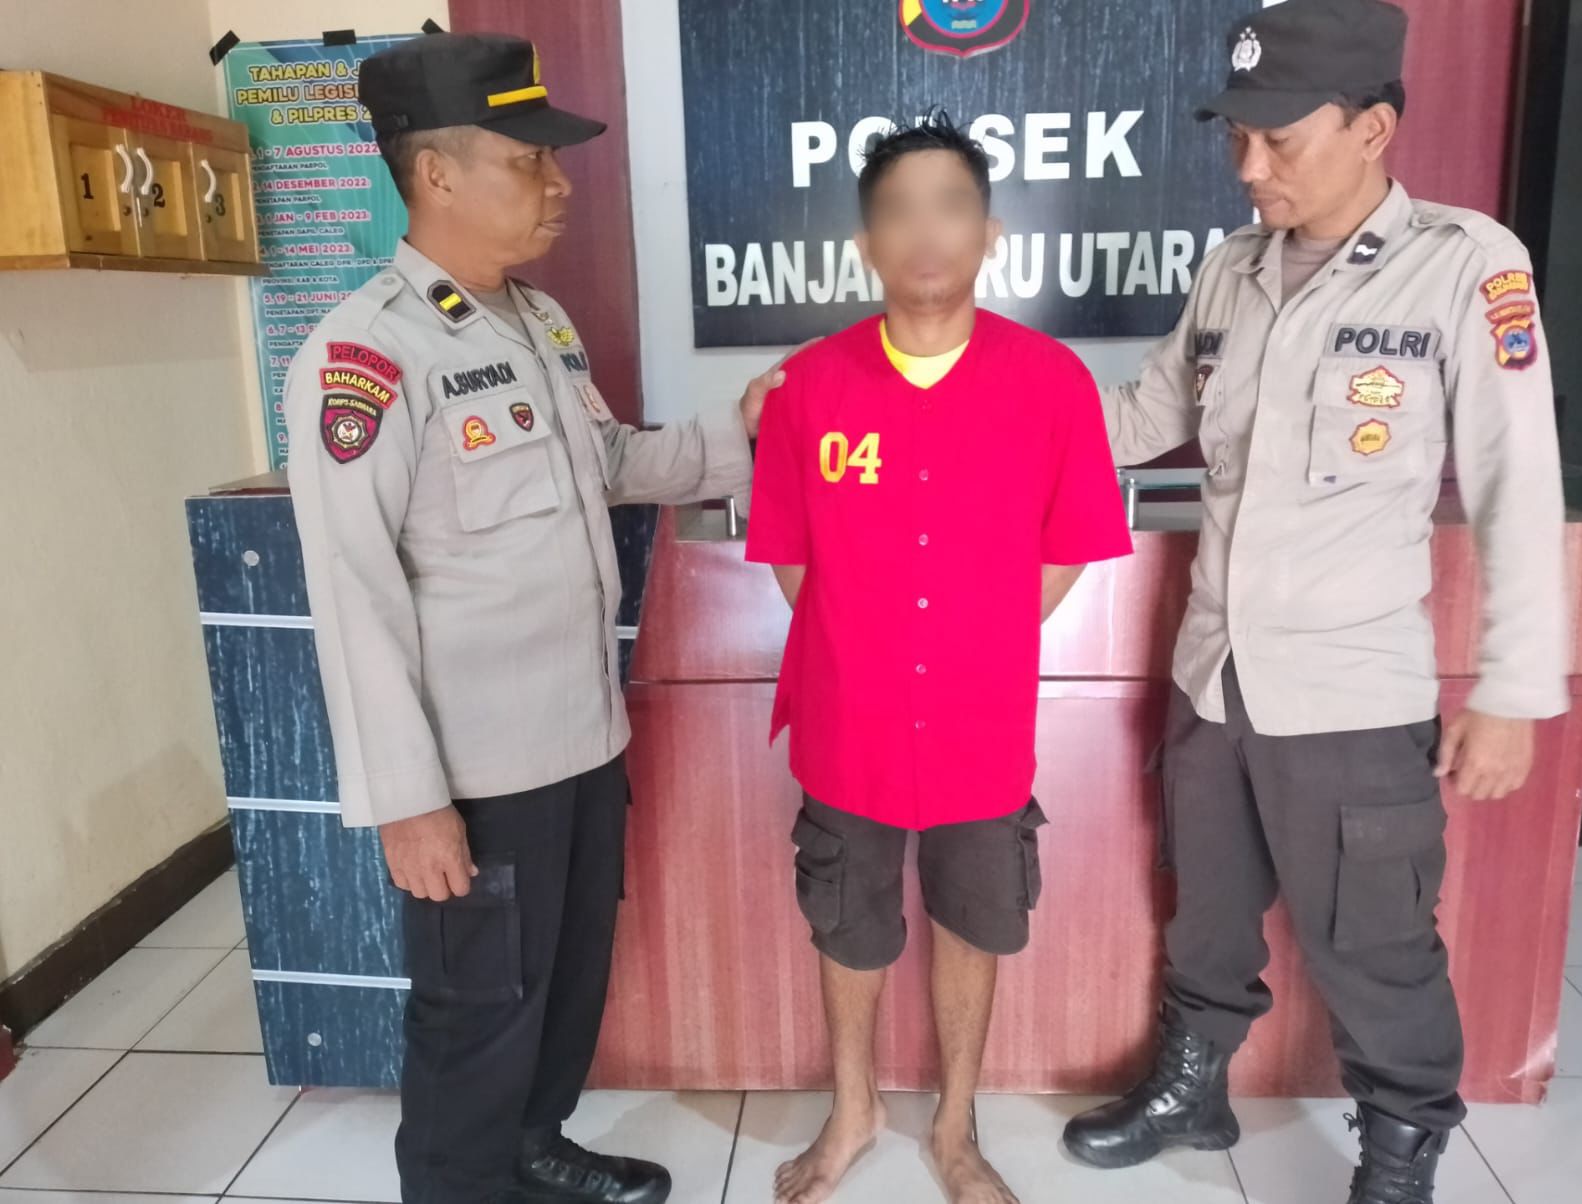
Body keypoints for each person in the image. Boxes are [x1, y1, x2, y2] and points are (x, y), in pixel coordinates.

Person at [1061, 4, 1569, 1202]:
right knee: (1207, 914)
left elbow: (1516, 484)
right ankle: (1193, 1088)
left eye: (1279, 140)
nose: (1249, 167)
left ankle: (1400, 1150)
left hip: (1348, 694)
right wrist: (973, 412)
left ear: (1372, 128)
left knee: (1374, 945)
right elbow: (1139, 418)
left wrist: (1513, 691)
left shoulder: (1465, 264)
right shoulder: (1230, 269)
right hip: (1214, 675)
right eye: (1236, 136)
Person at [284, 31, 790, 1204]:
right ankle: (463, 1181)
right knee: (476, 1013)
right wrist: (409, 801)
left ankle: (534, 1144)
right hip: (475, 768)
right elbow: (353, 592)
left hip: (580, 736)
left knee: (564, 981)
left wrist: (741, 430)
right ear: (435, 173)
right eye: (528, 161)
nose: (558, 184)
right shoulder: (366, 354)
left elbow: (605, 463)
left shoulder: (535, 322)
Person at [745, 111, 1132, 1204]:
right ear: (866, 243)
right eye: (899, 212)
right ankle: (853, 1107)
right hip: (848, 721)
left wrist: (973, 638)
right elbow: (789, 559)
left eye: (950, 206)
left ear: (989, 233)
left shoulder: (1051, 381)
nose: (926, 233)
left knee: (975, 917)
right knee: (848, 918)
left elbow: (1067, 547)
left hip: (980, 722)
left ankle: (956, 1126)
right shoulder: (808, 389)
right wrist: (870, 648)